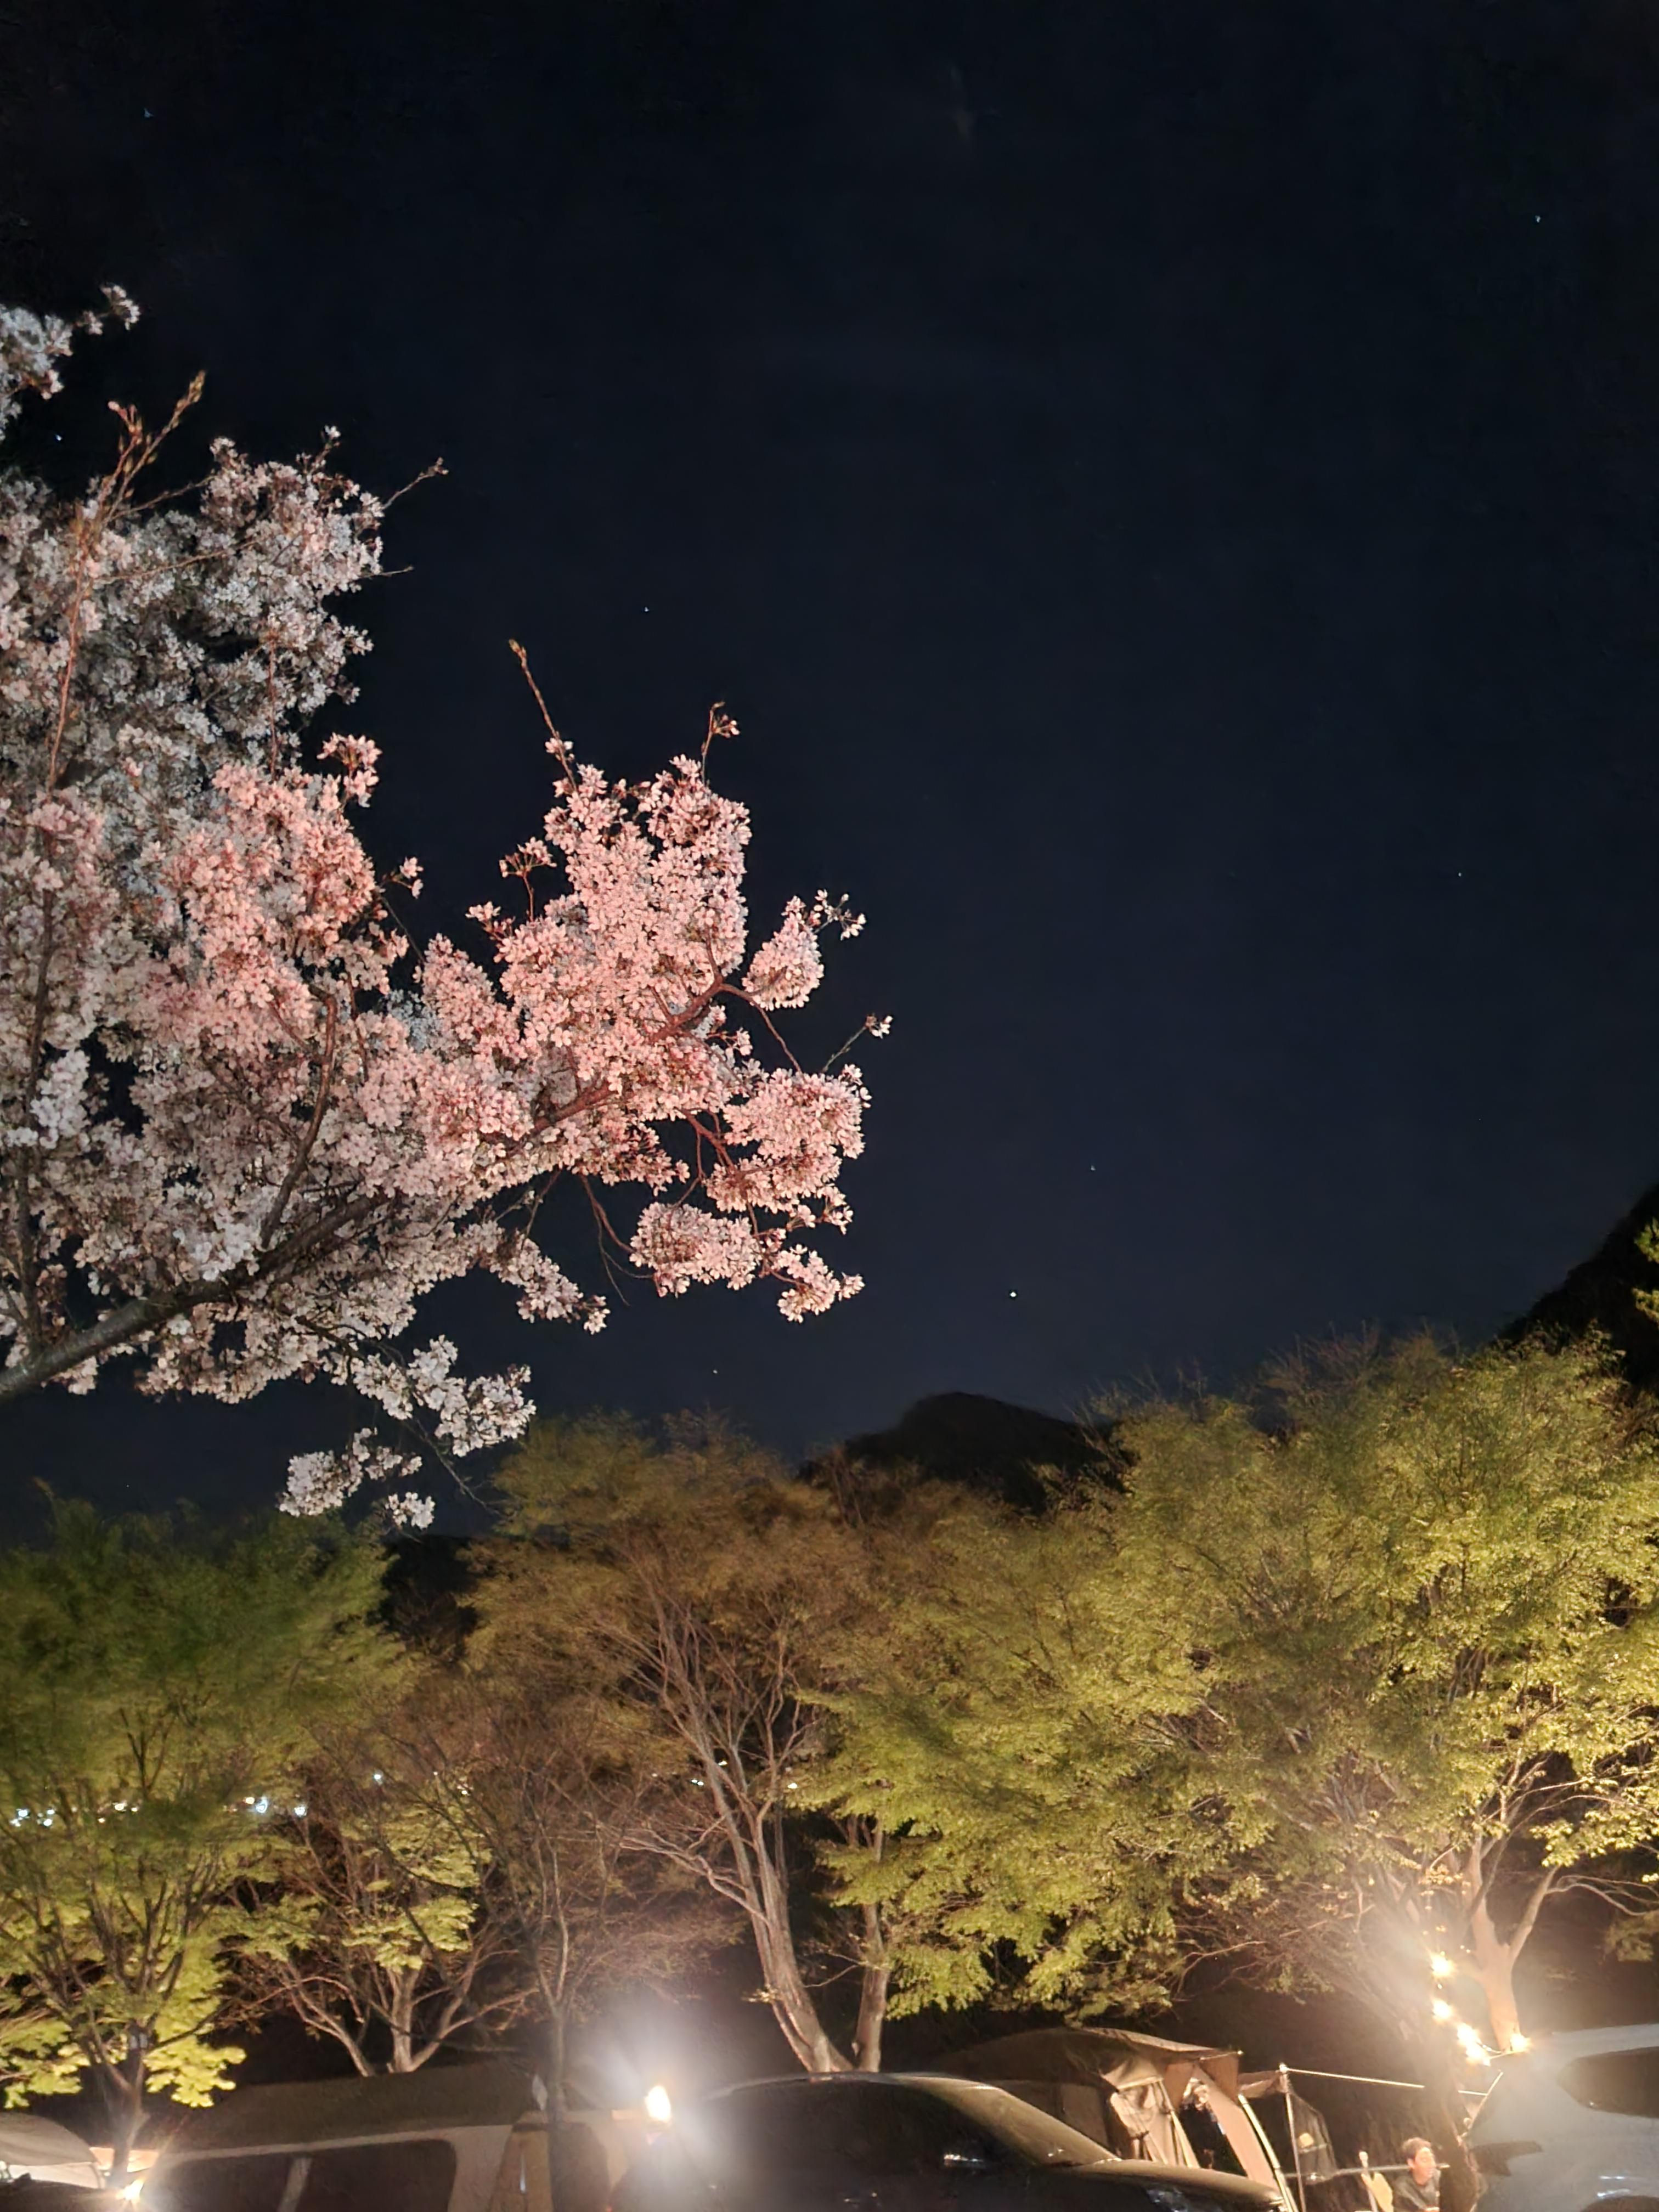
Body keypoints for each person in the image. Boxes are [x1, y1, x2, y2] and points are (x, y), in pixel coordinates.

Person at [1395, 2136, 1440, 2210]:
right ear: (1411, 2163)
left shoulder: (1440, 2178)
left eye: (1432, 2159)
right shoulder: (1403, 2188)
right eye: (1425, 2160)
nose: (1432, 2165)